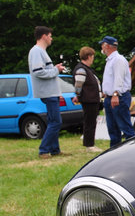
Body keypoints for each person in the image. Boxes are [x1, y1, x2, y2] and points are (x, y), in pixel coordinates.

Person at [27, 26, 65, 158]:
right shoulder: (37, 51)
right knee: (56, 122)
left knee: (52, 121)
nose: (51, 38)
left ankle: (55, 150)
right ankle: (43, 150)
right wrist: (56, 71)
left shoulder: (40, 51)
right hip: (48, 92)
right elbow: (38, 72)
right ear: (44, 36)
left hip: (50, 92)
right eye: (50, 36)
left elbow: (42, 69)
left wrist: (54, 68)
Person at [98, 35, 135, 147]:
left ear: (107, 46)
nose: (102, 48)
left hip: (119, 97)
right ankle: (114, 150)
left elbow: (118, 78)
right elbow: (111, 79)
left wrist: (115, 94)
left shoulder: (118, 60)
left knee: (124, 126)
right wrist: (107, 92)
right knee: (112, 127)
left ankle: (132, 149)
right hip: (111, 97)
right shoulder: (111, 60)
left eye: (102, 45)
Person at [71, 46, 103, 153]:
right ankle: (90, 145)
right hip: (89, 100)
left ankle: (89, 143)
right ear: (88, 56)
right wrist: (77, 96)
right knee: (89, 122)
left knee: (91, 122)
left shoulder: (86, 69)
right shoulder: (81, 69)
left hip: (92, 99)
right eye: (92, 56)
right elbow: (78, 85)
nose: (93, 59)